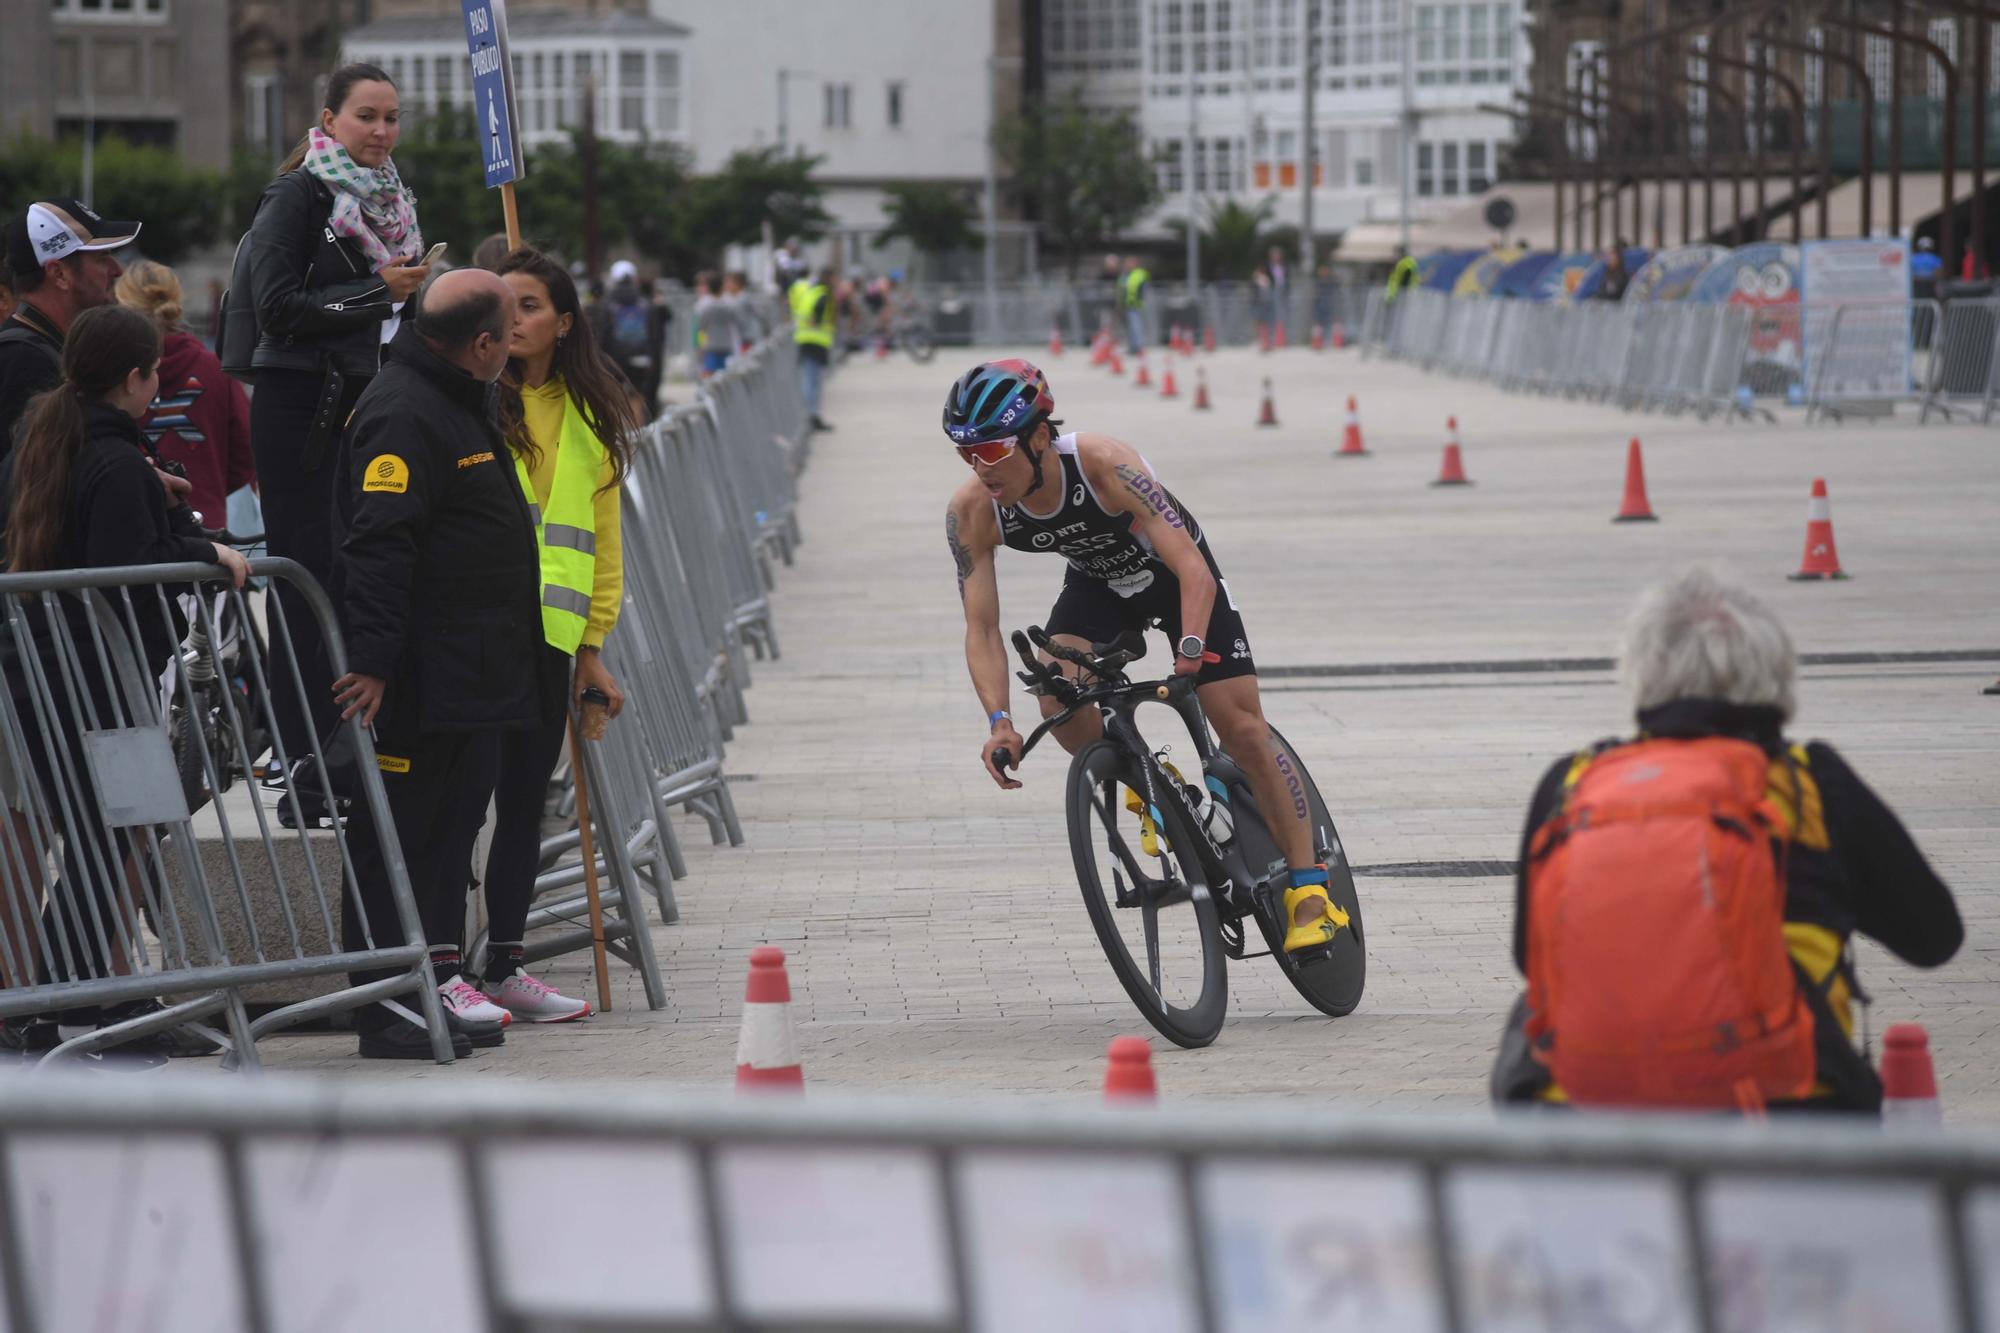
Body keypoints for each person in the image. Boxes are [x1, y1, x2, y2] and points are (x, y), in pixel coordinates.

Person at [1491, 566, 1963, 1114]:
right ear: (1776, 673)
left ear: (1642, 672)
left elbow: (1532, 955)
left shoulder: (1572, 784)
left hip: (1585, 1116)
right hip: (1780, 1116)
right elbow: (1934, 938)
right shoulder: (1811, 784)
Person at [942, 360, 1347, 954]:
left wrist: (1188, 654)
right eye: (966, 454)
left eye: (993, 451)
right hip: (1098, 586)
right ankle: (1145, 773)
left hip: (1176, 579)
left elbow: (1191, 568)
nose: (981, 468)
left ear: (1037, 437)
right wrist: (999, 721)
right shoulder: (974, 510)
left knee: (1238, 726)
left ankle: (1311, 890)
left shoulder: (1105, 464)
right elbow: (982, 628)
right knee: (1056, 692)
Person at [0, 305, 250, 1066]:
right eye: (152, 376)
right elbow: (128, 578)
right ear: (135, 379)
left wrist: (178, 528)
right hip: (99, 684)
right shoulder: (112, 462)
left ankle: (63, 1002)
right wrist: (194, 556)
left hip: (49, 675)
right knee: (112, 838)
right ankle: (70, 1003)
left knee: (105, 837)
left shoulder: (53, 440)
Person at [330, 267, 559, 1060]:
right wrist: (372, 661)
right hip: (420, 678)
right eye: (508, 333)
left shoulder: (458, 398)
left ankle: (427, 982)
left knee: (445, 831)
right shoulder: (403, 410)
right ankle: (386, 1002)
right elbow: (379, 544)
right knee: (401, 832)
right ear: (484, 344)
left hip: (471, 673)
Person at [248, 63, 431, 818]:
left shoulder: (391, 201)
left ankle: (344, 754)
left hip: (364, 408)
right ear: (329, 120)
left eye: (391, 117)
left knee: (358, 580)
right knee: (308, 583)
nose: (382, 132)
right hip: (302, 412)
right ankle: (301, 761)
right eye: (367, 117)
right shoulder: (299, 194)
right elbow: (276, 305)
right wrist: (376, 292)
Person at [464, 246, 638, 1024]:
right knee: (462, 803)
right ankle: (446, 961)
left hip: (550, 640)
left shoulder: (588, 414)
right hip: (472, 634)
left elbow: (602, 542)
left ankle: (506, 962)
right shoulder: (468, 400)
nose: (514, 319)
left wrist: (592, 648)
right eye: (502, 305)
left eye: (530, 306)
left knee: (524, 802)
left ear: (564, 323)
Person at [115, 260, 256, 530]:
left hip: (139, 528)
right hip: (209, 527)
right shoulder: (215, 369)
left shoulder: (117, 376)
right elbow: (246, 450)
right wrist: (208, 489)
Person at [1, 199, 142, 463]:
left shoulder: (43, 349)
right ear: (59, 275)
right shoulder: (23, 361)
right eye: (102, 258)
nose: (117, 270)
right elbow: (30, 487)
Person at [591, 259, 667, 413]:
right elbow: (654, 335)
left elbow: (602, 335)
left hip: (614, 358)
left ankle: (617, 434)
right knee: (636, 397)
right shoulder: (645, 303)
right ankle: (638, 435)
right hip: (641, 357)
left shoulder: (607, 304)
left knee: (613, 397)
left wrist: (599, 359)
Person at [791, 264, 836, 432]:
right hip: (816, 341)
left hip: (804, 339)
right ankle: (813, 415)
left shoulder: (811, 291)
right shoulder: (823, 295)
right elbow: (816, 318)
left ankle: (811, 414)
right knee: (813, 381)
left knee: (809, 379)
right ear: (829, 278)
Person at [693, 270, 738, 377]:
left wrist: (700, 346)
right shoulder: (729, 305)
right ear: (722, 288)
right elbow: (737, 323)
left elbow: (700, 329)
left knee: (709, 377)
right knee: (726, 377)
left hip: (711, 347)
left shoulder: (704, 306)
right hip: (727, 346)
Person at [723, 270, 764, 351]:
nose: (726, 285)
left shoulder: (746, 298)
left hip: (746, 338)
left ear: (737, 284)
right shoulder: (725, 298)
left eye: (729, 282)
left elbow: (759, 314)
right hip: (730, 338)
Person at [1119, 255, 1149, 355]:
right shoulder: (1125, 274)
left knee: (1136, 326)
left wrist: (1143, 300)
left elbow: (1143, 289)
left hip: (1135, 304)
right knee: (1129, 327)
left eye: (1130, 263)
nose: (1127, 265)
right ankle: (1132, 347)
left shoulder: (1139, 274)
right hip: (1125, 304)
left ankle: (1139, 347)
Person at [1266, 246, 1290, 344]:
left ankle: (1283, 337)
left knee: (1283, 314)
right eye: (1275, 255)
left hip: (1282, 292)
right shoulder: (1268, 266)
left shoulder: (1284, 266)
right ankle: (1271, 337)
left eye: (1278, 255)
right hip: (1272, 292)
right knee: (1272, 315)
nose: (1277, 256)